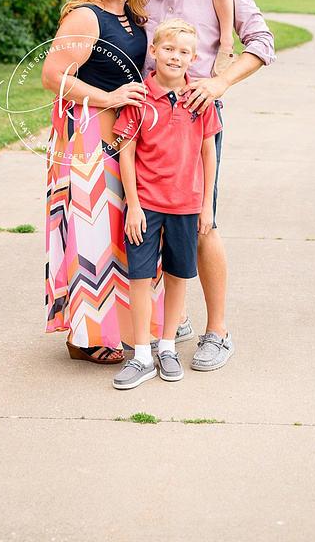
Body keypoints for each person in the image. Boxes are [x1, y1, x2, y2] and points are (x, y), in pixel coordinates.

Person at [144, 0, 276, 371]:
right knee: (147, 221)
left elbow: (262, 41)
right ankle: (171, 318)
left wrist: (218, 80)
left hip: (194, 122)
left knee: (201, 222)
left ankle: (217, 330)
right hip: (144, 118)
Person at [42, 0, 163, 363]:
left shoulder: (133, 17)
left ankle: (120, 327)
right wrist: (108, 99)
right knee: (90, 234)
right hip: (88, 136)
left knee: (120, 232)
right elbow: (53, 75)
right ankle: (85, 337)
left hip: (124, 138)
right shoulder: (85, 16)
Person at [111, 19, 221, 390]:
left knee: (177, 277)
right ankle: (142, 355)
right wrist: (135, 205)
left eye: (184, 52)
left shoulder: (200, 100)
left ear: (194, 58)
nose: (175, 57)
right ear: (154, 52)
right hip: (146, 206)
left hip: (187, 206)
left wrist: (207, 205)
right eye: (168, 49)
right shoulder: (139, 98)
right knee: (141, 278)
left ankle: (169, 347)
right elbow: (126, 156)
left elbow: (210, 154)